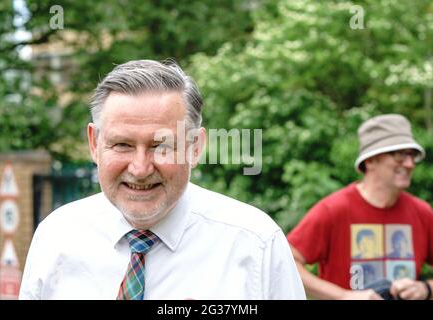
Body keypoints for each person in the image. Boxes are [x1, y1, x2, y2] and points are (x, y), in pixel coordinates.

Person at [19, 59, 305, 300]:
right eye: (122, 144)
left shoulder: (255, 245)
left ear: (195, 147)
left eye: (162, 146)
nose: (141, 168)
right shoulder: (56, 238)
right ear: (94, 144)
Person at [287, 114, 433, 300]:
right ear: (370, 160)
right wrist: (343, 296)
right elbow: (287, 261)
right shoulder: (333, 209)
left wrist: (426, 288)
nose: (410, 163)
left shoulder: (422, 212)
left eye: (412, 155)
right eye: (399, 155)